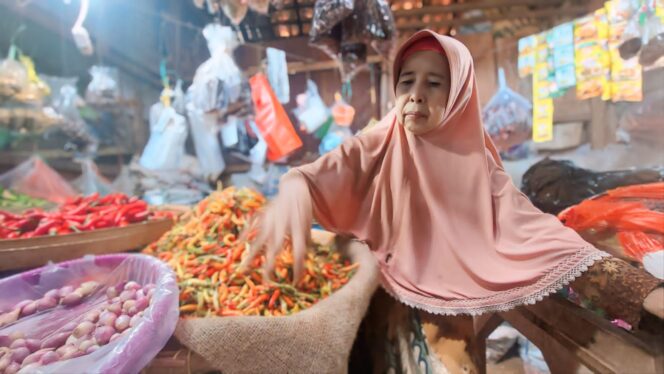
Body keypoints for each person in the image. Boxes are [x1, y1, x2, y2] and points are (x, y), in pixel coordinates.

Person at [243, 30, 662, 372]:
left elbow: (536, 234)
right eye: (406, 82)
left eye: (435, 83)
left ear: (460, 93)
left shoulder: (476, 165)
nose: (416, 95)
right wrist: (295, 186)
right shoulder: (382, 141)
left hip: (448, 326)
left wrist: (641, 291)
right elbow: (327, 169)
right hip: (382, 311)